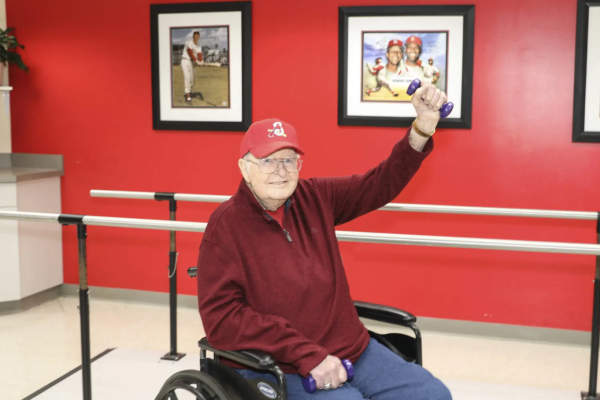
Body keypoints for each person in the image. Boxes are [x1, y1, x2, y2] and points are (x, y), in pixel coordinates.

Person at [196, 83, 452, 400]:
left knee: (431, 395)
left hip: (351, 348)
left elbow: (380, 184)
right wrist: (305, 353)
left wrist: (421, 131)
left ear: (300, 165)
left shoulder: (315, 197)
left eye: (289, 160)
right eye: (268, 161)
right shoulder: (226, 226)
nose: (280, 171)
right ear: (244, 169)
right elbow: (223, 319)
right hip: (276, 365)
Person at [181, 31, 203, 103]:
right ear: (193, 37)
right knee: (187, 77)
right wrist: (196, 60)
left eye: (197, 36)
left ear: (199, 37)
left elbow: (199, 55)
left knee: (192, 80)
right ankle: (187, 95)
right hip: (185, 61)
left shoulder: (199, 46)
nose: (196, 37)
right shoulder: (189, 42)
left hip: (191, 63)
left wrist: (201, 61)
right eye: (195, 36)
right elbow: (189, 51)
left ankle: (188, 91)